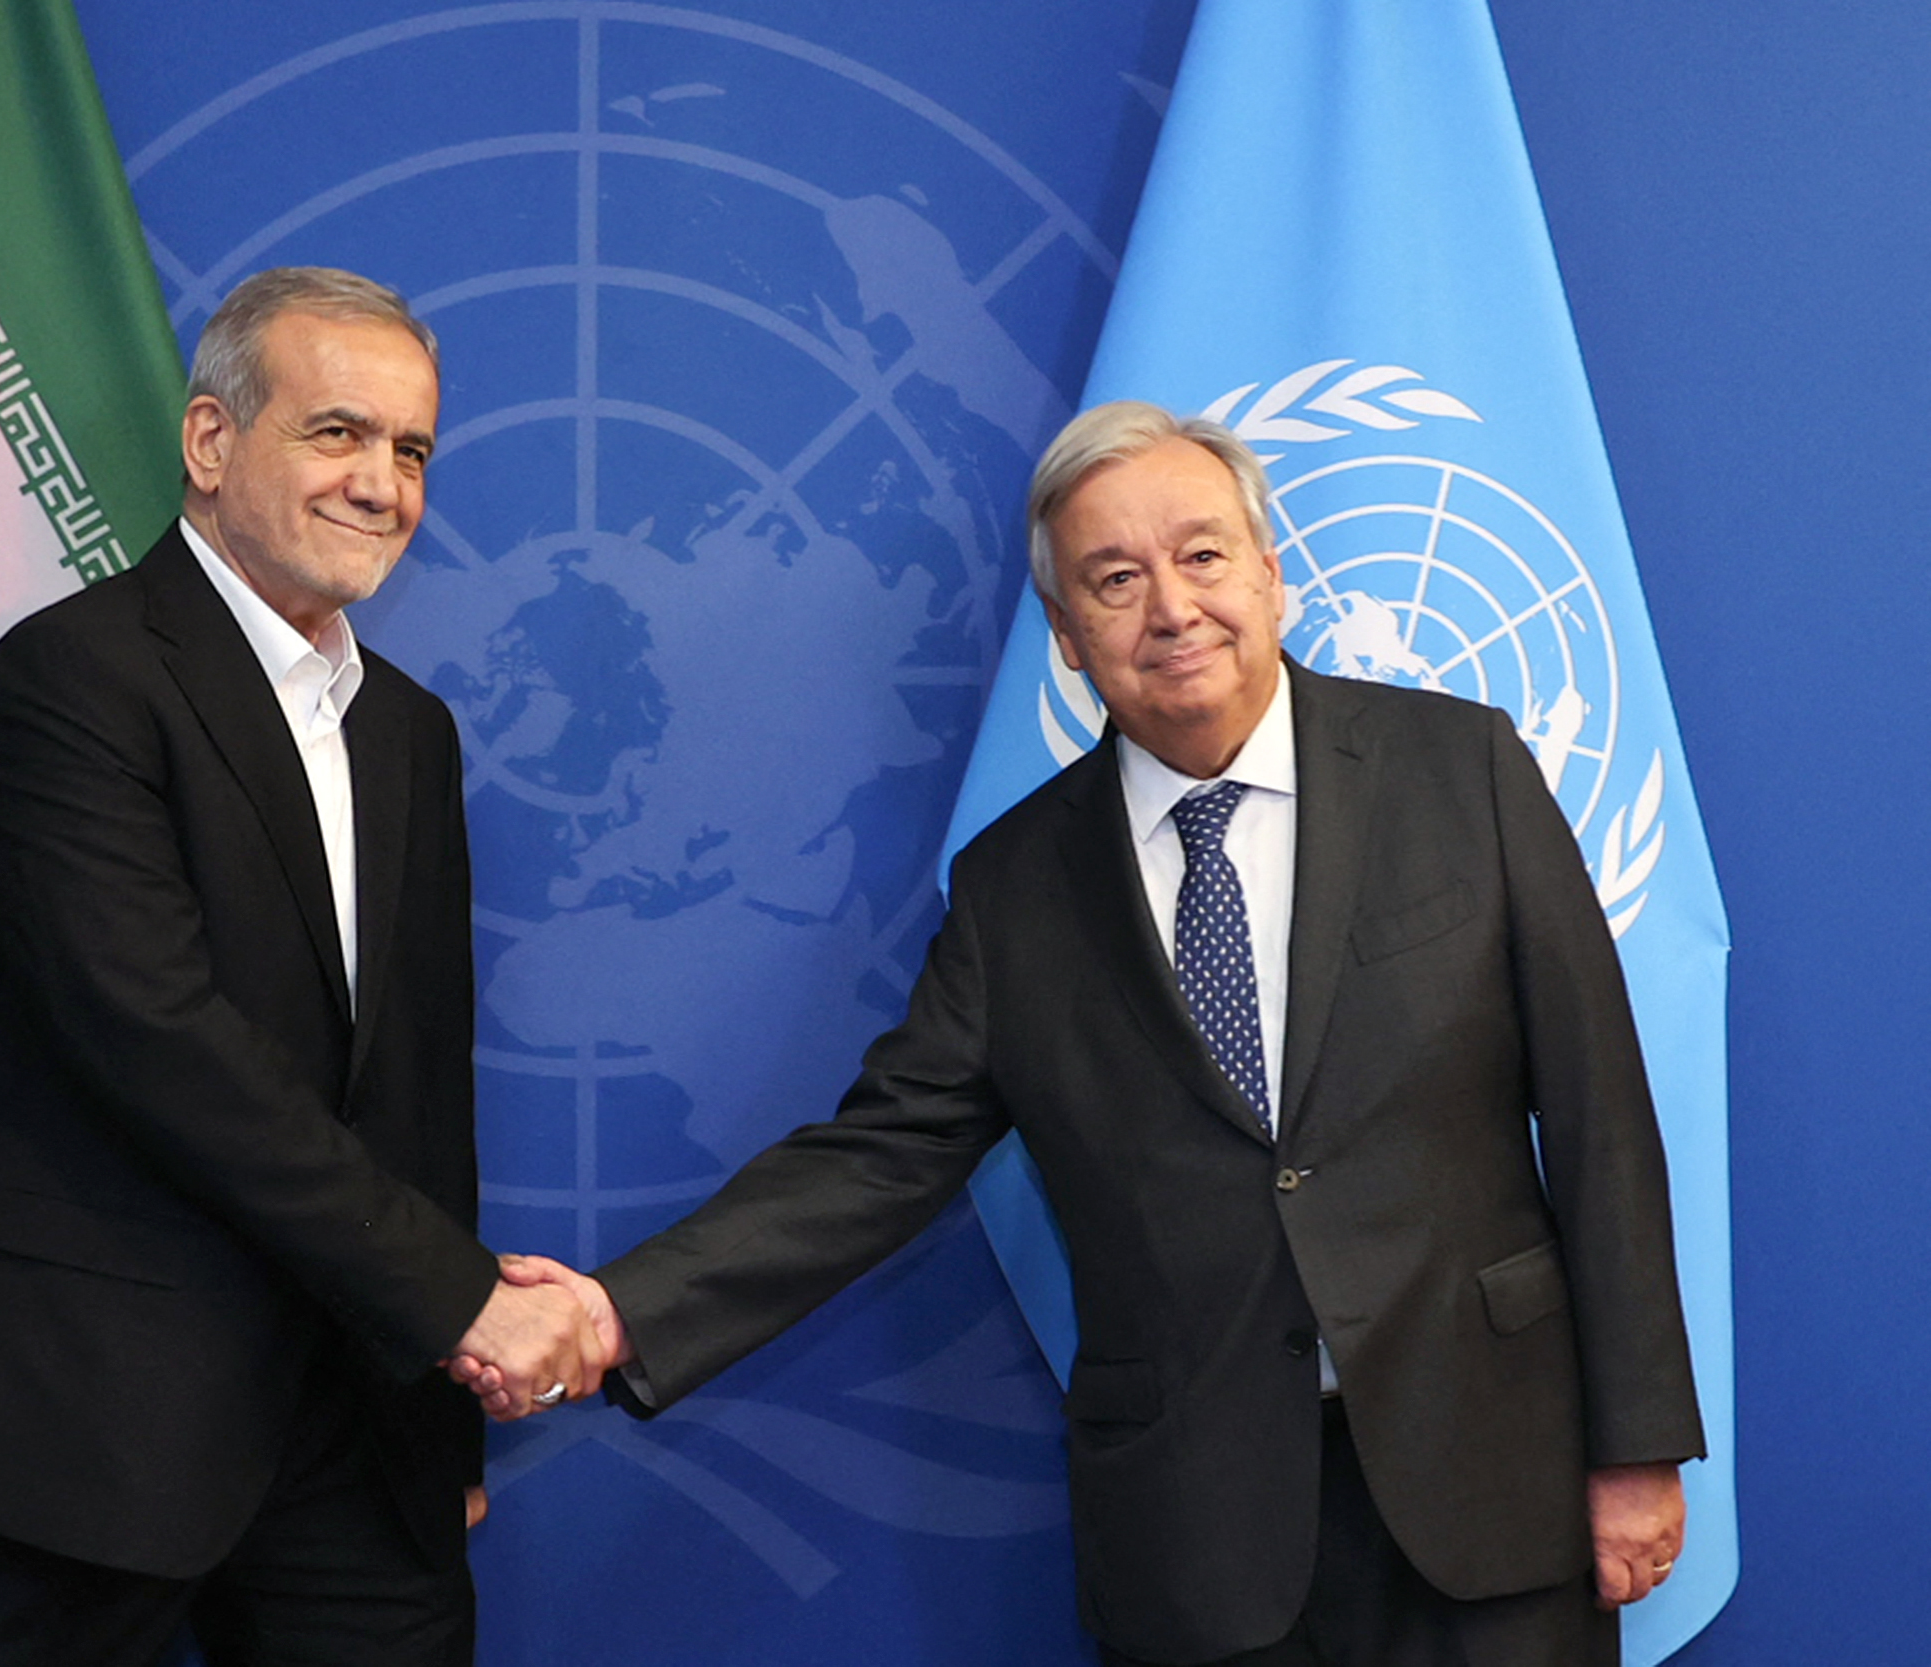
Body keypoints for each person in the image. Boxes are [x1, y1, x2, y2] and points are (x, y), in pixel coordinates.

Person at [475, 403, 1704, 1666]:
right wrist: (620, 1310)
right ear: (1065, 637)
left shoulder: (1465, 769)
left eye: (1203, 555)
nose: (1170, 607)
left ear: (1272, 576)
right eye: (1114, 579)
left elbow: (1601, 1111)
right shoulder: (1015, 887)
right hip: (1201, 1536)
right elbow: (878, 1158)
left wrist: (1635, 1441)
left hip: (1491, 1486)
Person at [0, 267, 603, 1667]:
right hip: (78, 1425)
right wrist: (462, 1298)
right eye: (338, 432)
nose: (381, 482)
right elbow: (158, 1039)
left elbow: (415, 1090)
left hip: (351, 1438)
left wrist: (436, 1404)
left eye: (411, 449)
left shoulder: (411, 735)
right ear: (212, 443)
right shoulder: (71, 679)